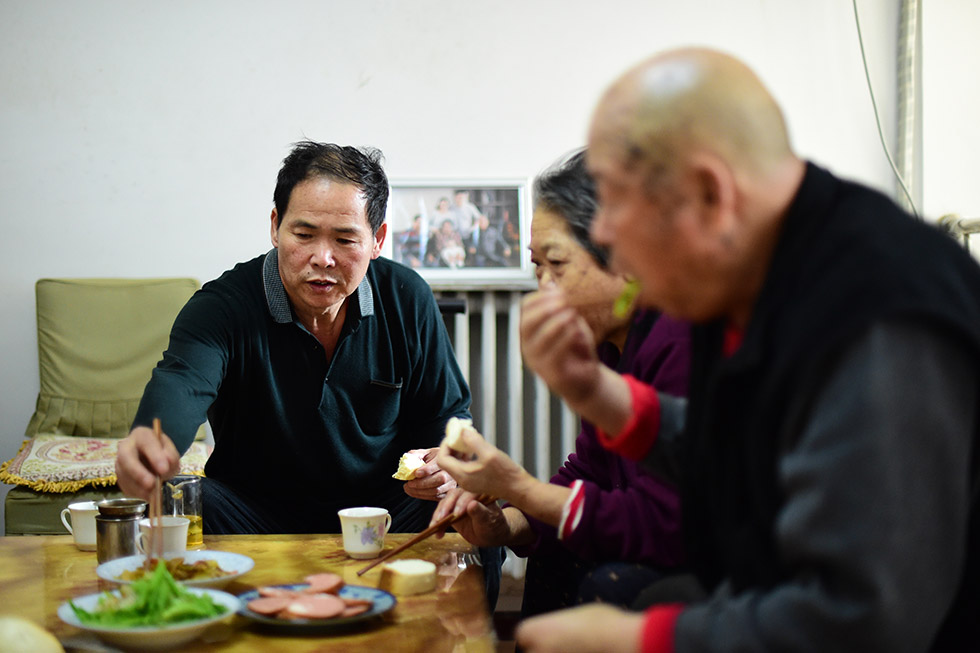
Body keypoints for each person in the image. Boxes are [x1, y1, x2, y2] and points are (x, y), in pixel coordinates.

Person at [514, 48, 980, 653]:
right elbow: (739, 450)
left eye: (617, 202)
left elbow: (865, 618)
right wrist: (597, 392)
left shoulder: (877, 313)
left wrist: (642, 638)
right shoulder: (751, 274)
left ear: (710, 192)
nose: (601, 232)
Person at [114, 141, 469, 536]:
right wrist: (152, 439)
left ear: (377, 240)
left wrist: (444, 464)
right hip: (255, 516)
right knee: (181, 498)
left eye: (345, 240)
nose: (322, 258)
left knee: (471, 505)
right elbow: (182, 383)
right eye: (304, 234)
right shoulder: (222, 307)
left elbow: (446, 415)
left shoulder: (406, 298)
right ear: (275, 227)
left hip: (381, 514)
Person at [433, 150, 692, 617]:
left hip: (728, 554)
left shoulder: (681, 339)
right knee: (554, 555)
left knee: (608, 582)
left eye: (557, 264)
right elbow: (590, 474)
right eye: (538, 268)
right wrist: (503, 526)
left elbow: (663, 523)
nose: (544, 289)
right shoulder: (611, 346)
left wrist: (517, 485)